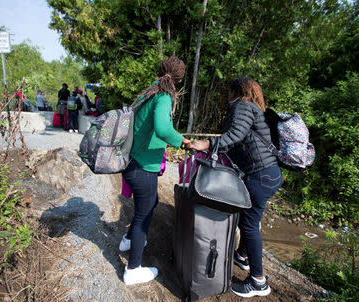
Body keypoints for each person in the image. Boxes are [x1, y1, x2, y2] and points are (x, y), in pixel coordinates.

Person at [186, 77, 282, 298]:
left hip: (260, 174)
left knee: (248, 225)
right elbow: (239, 141)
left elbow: (234, 136)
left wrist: (206, 144)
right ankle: (243, 256)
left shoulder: (242, 105)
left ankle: (258, 282)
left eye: (229, 93)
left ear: (236, 92)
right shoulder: (253, 109)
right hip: (270, 173)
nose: (227, 97)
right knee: (251, 219)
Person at [120, 56, 190, 286]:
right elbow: (162, 128)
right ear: (179, 80)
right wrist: (183, 142)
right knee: (143, 215)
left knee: (151, 202)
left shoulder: (149, 91)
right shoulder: (164, 96)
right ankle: (133, 270)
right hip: (142, 168)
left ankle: (129, 240)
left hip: (132, 162)